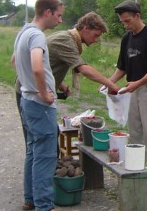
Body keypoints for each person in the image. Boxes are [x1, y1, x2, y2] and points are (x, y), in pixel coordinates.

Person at [14, 11, 121, 147]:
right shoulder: (66, 41)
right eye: (95, 35)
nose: (96, 40)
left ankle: (45, 166)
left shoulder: (68, 38)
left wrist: (60, 84)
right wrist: (110, 84)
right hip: (32, 92)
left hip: (34, 89)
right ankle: (47, 167)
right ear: (86, 28)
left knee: (39, 142)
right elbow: (83, 68)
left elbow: (48, 62)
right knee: (41, 143)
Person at [11, 0, 68, 211]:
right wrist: (44, 92)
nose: (61, 20)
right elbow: (36, 65)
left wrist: (29, 83)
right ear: (47, 12)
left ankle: (30, 198)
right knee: (45, 154)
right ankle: (44, 207)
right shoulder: (37, 35)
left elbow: (14, 61)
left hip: (26, 99)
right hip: (38, 103)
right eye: (59, 15)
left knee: (33, 151)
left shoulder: (23, 32)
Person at [108, 0, 147, 194]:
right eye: (123, 22)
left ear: (138, 16)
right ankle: (137, 170)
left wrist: (138, 83)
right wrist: (108, 83)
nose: (126, 25)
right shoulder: (127, 38)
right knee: (134, 133)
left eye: (128, 21)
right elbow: (122, 67)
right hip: (131, 90)